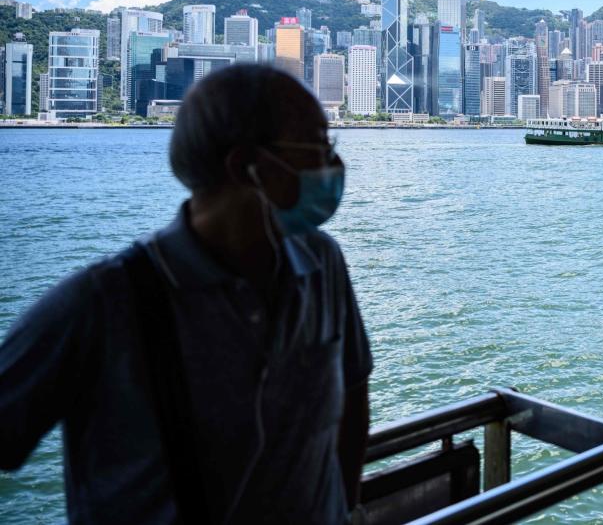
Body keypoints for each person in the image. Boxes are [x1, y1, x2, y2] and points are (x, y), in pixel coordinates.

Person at [0, 64, 372, 524]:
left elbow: (353, 390)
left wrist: (348, 507)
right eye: (317, 144)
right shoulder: (101, 304)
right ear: (246, 167)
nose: (332, 163)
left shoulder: (322, 264)